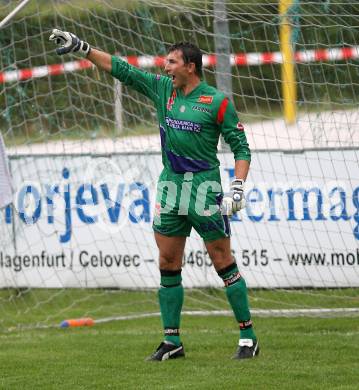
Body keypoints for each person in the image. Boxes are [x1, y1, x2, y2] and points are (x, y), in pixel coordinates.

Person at [49, 29, 259, 361]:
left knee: (222, 261)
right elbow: (123, 70)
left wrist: (237, 187)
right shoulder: (163, 90)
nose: (165, 68)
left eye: (172, 62)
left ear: (190, 66)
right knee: (167, 262)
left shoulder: (217, 101)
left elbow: (241, 147)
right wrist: (83, 48)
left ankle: (248, 337)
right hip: (170, 186)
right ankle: (171, 342)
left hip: (205, 188)